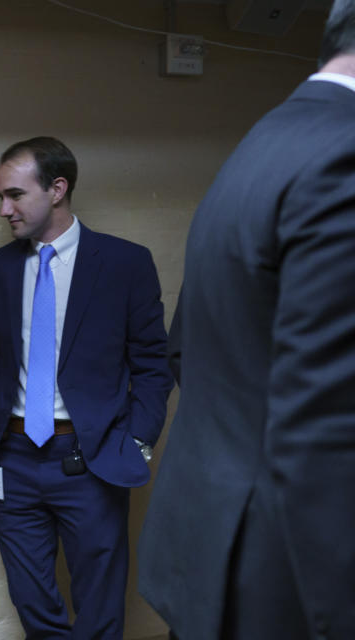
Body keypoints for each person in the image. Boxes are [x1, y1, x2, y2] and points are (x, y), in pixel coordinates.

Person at [138, 3, 355, 638]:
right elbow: (328, 427)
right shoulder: (343, 156)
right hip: (288, 577)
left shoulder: (264, 141)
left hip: (216, 547)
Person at [0, 137, 173, 639]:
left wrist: (136, 441)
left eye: (14, 195)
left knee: (99, 610)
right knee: (35, 606)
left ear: (58, 189)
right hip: (11, 459)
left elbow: (152, 365)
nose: (4, 209)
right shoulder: (0, 267)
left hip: (89, 461)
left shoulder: (124, 263)